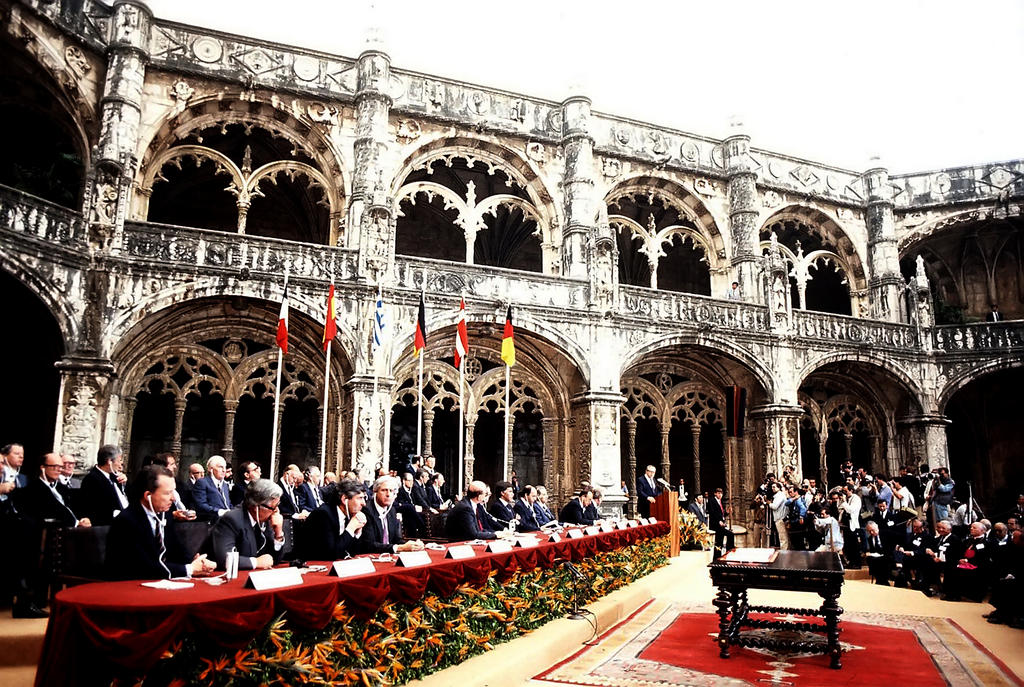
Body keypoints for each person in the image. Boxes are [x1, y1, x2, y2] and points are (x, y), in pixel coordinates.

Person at [105, 465, 216, 580]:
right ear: (148, 495)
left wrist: (196, 561)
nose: (173, 498)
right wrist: (189, 569)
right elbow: (142, 566)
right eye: (168, 493)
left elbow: (175, 547)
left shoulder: (164, 514)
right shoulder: (126, 521)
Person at [206, 479, 285, 571]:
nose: (276, 511)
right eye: (274, 507)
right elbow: (225, 559)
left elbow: (274, 560)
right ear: (257, 507)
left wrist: (278, 533)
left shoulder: (265, 518)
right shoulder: (231, 519)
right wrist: (256, 562)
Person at [302, 480, 367, 561]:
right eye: (360, 498)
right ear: (344, 499)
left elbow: (353, 553)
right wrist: (351, 528)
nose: (364, 503)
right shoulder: (323, 514)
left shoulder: (349, 515)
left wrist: (357, 533)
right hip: (312, 565)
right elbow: (331, 554)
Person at [359, 476, 424, 554]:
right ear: (375, 491)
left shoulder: (392, 510)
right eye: (384, 490)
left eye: (391, 491)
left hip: (388, 557)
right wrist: (400, 548)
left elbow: (396, 540)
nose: (388, 494)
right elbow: (369, 545)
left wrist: (413, 545)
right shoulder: (366, 510)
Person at [78, 444, 129, 526]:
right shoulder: (92, 480)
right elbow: (95, 510)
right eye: (119, 460)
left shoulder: (115, 477)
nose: (121, 464)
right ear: (109, 462)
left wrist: (124, 484)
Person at [191, 455, 233, 521]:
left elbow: (228, 504)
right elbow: (201, 505)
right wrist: (219, 511)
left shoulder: (225, 485)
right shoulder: (202, 482)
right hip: (209, 523)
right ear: (211, 469)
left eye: (225, 467)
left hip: (226, 523)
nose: (224, 470)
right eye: (220, 467)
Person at [708, 487, 735, 559]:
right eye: (719, 493)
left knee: (719, 541)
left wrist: (727, 512)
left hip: (721, 524)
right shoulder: (712, 500)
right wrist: (718, 521)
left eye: (721, 494)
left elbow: (721, 514)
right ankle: (729, 551)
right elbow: (712, 512)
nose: (720, 495)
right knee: (730, 534)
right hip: (715, 524)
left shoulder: (720, 502)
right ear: (715, 493)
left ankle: (717, 557)